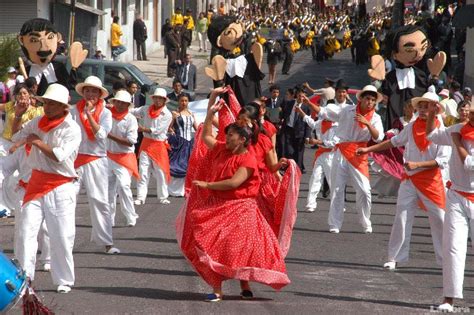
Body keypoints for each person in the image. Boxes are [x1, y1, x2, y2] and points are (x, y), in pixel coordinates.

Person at [176, 87, 290, 301]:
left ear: (243, 138)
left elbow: (233, 182)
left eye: (231, 135)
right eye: (228, 133)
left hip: (241, 207)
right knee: (211, 247)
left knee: (238, 249)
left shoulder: (249, 157)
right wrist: (211, 111)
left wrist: (207, 185)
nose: (227, 137)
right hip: (219, 206)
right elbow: (207, 135)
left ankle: (244, 283)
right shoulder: (222, 149)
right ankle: (217, 289)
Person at [357, 92, 448, 270]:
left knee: (440, 219)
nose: (422, 110)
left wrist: (417, 164)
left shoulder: (441, 133)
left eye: (426, 107)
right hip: (409, 180)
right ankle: (394, 257)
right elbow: (394, 142)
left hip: (431, 181)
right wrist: (369, 150)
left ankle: (446, 260)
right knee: (401, 216)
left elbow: (441, 161)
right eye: (420, 106)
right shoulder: (412, 126)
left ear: (435, 110)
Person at [12, 83, 81, 294]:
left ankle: (64, 279)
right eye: (46, 102)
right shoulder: (36, 122)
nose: (48, 106)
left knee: (61, 234)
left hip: (61, 185)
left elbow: (59, 156)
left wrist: (38, 142)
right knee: (26, 231)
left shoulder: (72, 128)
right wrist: (17, 116)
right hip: (36, 183)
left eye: (53, 103)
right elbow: (15, 137)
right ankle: (25, 278)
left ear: (63, 107)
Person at [311, 85, 384, 233]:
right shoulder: (347, 110)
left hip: (359, 153)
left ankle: (365, 221)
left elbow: (378, 138)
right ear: (361, 99)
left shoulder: (375, 117)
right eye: (367, 99)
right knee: (337, 189)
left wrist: (368, 124)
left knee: (364, 190)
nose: (369, 102)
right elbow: (325, 113)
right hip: (342, 151)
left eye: (372, 100)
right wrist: (308, 103)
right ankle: (334, 224)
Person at [426, 98, 474, 312]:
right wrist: (431, 115)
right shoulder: (457, 129)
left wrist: (456, 142)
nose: (469, 114)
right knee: (453, 246)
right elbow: (432, 135)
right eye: (470, 111)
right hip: (456, 195)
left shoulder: (457, 134)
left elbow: (471, 165)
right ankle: (449, 298)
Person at [71, 76, 120, 254]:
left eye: (94, 91)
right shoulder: (73, 111)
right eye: (87, 90)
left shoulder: (106, 113)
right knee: (68, 201)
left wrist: (90, 115)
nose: (90, 93)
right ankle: (64, 243)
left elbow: (101, 135)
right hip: (75, 161)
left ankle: (107, 242)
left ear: (100, 94)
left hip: (96, 160)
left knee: (99, 201)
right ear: (83, 92)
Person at [131, 88, 172, 205]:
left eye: (160, 98)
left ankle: (163, 196)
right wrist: (122, 108)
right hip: (146, 143)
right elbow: (133, 111)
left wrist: (143, 129)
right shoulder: (145, 109)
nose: (158, 100)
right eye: (156, 98)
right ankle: (140, 197)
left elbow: (158, 130)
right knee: (143, 171)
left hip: (158, 145)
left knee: (160, 172)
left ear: (164, 100)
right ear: (153, 98)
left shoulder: (167, 114)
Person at [107, 90, 139, 227]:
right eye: (117, 102)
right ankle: (109, 219)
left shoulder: (131, 119)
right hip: (108, 156)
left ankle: (131, 216)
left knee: (124, 186)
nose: (119, 105)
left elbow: (131, 141)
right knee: (109, 189)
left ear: (128, 105)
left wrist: (109, 135)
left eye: (123, 103)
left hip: (124, 157)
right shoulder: (107, 115)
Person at [0, 83, 43, 156]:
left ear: (29, 95)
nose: (22, 95)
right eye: (19, 94)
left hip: (20, 145)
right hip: (4, 142)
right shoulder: (10, 105)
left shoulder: (35, 111)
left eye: (25, 93)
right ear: (16, 96)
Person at [168, 94, 198, 197]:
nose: (184, 103)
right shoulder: (175, 114)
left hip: (190, 143)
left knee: (189, 166)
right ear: (178, 102)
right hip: (180, 142)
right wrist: (171, 129)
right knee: (178, 165)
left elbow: (196, 128)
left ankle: (186, 188)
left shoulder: (191, 114)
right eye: (182, 101)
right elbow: (169, 128)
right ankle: (175, 190)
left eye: (186, 101)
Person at [278, 88, 311, 171]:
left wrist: (307, 136)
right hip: (289, 130)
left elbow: (308, 123)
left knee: (299, 152)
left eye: (303, 97)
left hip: (300, 132)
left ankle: (298, 169)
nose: (301, 98)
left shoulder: (306, 108)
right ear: (296, 96)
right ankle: (289, 168)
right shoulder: (289, 103)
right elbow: (283, 113)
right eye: (299, 96)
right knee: (289, 151)